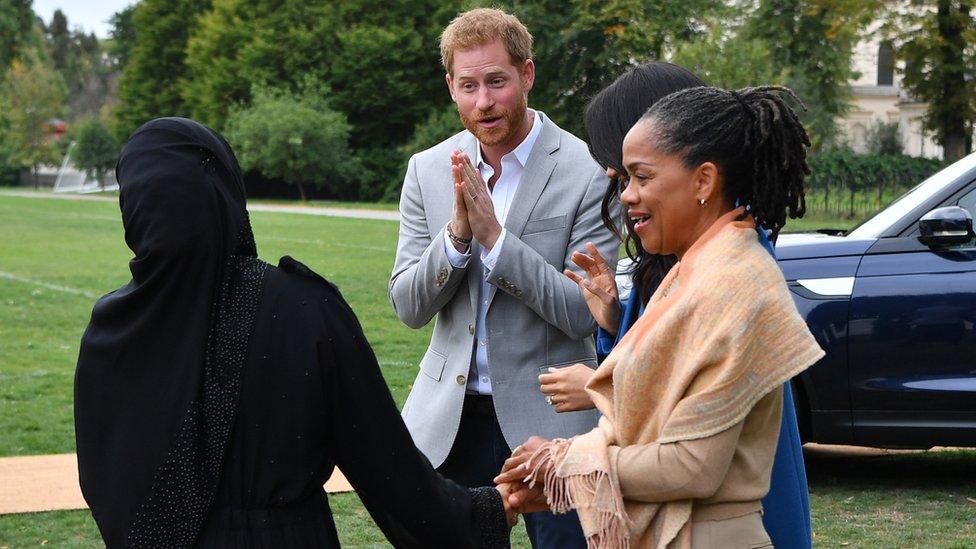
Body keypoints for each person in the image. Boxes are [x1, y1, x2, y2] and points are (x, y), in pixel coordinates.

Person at [74, 117, 512, 548]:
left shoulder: (113, 332)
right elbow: (389, 470)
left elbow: (106, 484)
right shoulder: (303, 308)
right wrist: (487, 512)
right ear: (227, 194)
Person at [496, 86, 825, 548]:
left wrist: (564, 463)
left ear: (704, 181)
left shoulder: (735, 281)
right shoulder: (693, 267)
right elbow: (650, 409)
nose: (625, 194)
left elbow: (693, 466)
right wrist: (559, 472)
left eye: (641, 176)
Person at [388, 7, 618, 547]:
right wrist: (458, 240)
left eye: (497, 81)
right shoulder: (428, 169)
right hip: (450, 423)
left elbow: (583, 312)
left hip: (556, 421)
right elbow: (406, 306)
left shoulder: (588, 170)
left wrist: (495, 240)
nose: (483, 101)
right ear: (451, 87)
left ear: (527, 75)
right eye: (468, 85)